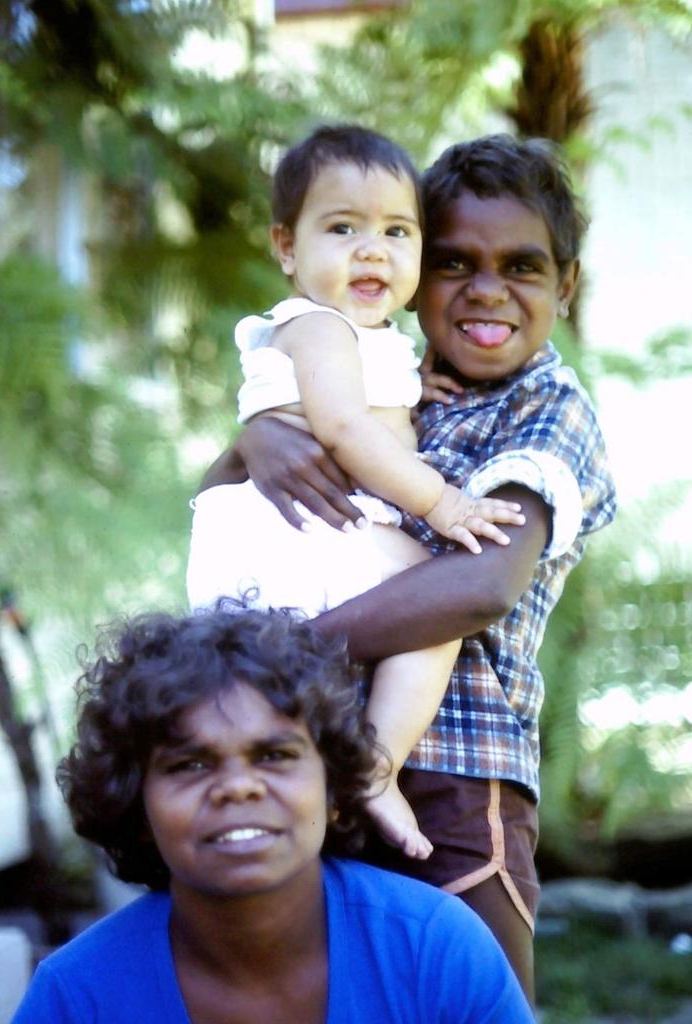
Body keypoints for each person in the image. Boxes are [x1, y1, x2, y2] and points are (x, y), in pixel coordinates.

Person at [205, 134, 617, 1003]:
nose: (486, 291)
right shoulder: (385, 377)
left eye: (523, 268)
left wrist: (288, 654)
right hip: (314, 753)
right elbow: (226, 498)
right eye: (457, 262)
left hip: (457, 777)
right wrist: (257, 437)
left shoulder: (549, 409)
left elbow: (481, 584)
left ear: (566, 287)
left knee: (465, 993)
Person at [185, 125, 524, 861]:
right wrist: (443, 503)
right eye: (343, 228)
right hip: (291, 532)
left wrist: (407, 396)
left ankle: (363, 767)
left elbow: (369, 409)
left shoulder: (370, 341)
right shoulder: (316, 326)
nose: (373, 250)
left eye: (397, 232)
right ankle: (376, 764)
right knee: (438, 595)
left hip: (302, 533)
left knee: (429, 603)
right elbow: (342, 425)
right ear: (286, 248)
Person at [11, 604, 534, 1023]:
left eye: (275, 756)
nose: (238, 787)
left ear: (334, 788)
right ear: (135, 804)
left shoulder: (434, 950)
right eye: (190, 764)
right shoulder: (78, 996)